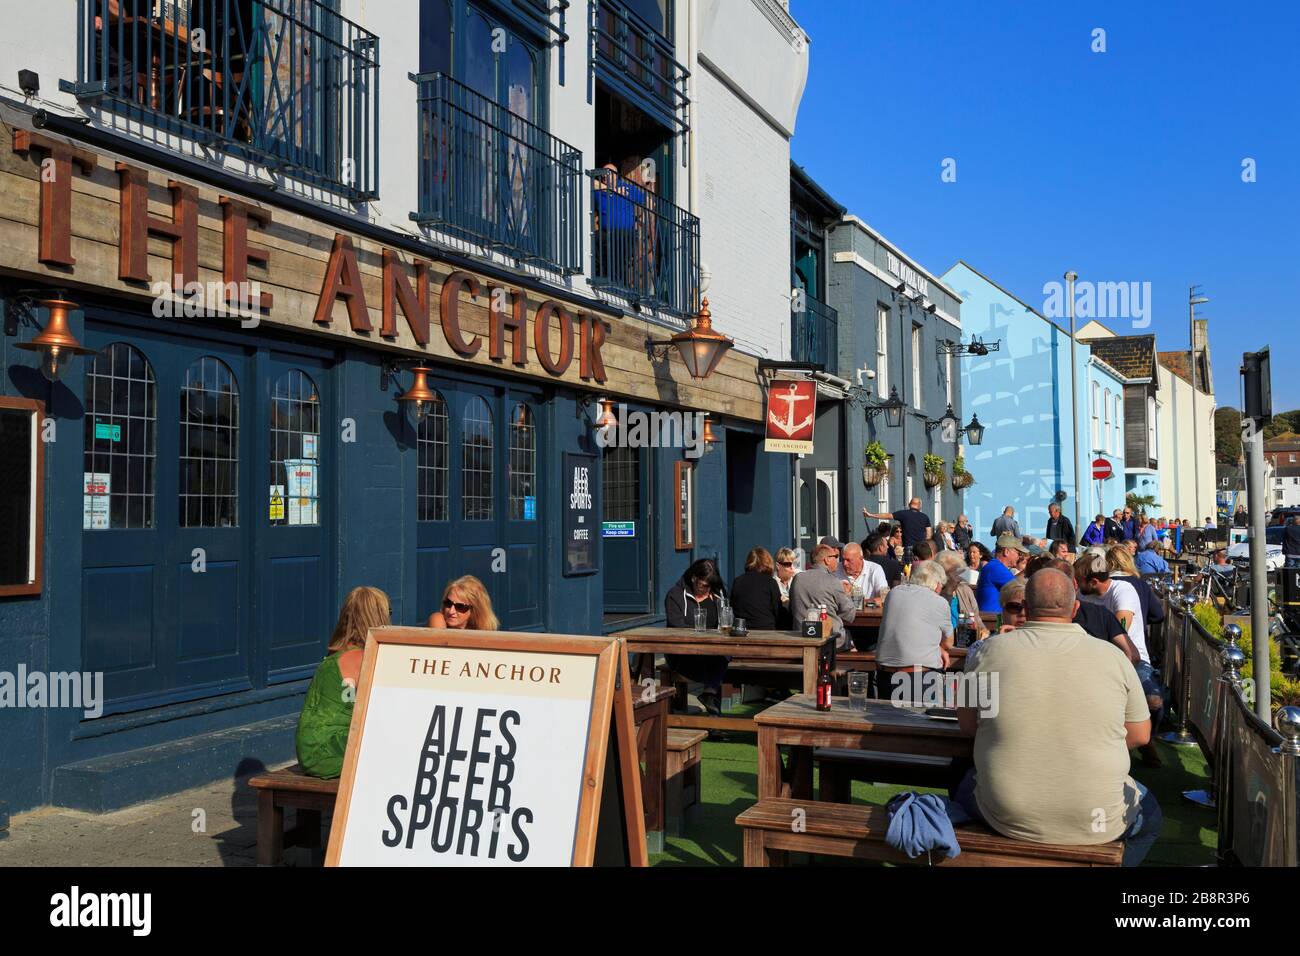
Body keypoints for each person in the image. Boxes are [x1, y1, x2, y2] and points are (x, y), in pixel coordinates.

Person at [955, 569, 1163, 867]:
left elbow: (969, 726)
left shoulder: (986, 652)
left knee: (963, 782)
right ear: (1075, 607)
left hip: (1007, 811)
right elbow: (1141, 736)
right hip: (1098, 815)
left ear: (1025, 606)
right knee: (1151, 819)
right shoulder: (1113, 657)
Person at [297, 586, 391, 779]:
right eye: (388, 612)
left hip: (311, 749)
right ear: (379, 617)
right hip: (332, 750)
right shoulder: (366, 658)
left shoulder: (336, 654)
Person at [875, 560, 954, 698]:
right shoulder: (939, 602)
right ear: (937, 586)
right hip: (918, 680)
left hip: (884, 675)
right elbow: (948, 643)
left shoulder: (893, 593)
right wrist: (939, 648)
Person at [665, 559, 729, 716]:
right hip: (684, 654)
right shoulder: (676, 595)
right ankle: (712, 704)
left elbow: (725, 622)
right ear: (694, 578)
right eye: (704, 585)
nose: (707, 590)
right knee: (720, 660)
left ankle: (712, 706)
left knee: (723, 656)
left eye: (710, 586)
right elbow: (676, 626)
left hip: (711, 651)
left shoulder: (717, 595)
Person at [789, 543, 858, 650]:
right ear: (827, 560)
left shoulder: (797, 579)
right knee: (858, 641)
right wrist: (847, 594)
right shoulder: (833, 581)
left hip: (801, 637)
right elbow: (849, 615)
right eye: (835, 557)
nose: (838, 560)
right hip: (829, 640)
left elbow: (792, 607)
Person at [935, 550, 989, 641]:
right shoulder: (935, 595)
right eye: (955, 573)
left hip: (965, 644)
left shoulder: (966, 591)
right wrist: (948, 592)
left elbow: (978, 621)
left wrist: (983, 632)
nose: (959, 578)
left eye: (960, 572)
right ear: (943, 575)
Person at [730, 547, 784, 631]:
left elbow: (733, 607)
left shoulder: (738, 581)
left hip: (743, 631)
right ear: (768, 562)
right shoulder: (770, 582)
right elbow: (778, 612)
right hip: (766, 631)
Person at [974, 534, 1027, 613]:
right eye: (1018, 553)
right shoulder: (995, 568)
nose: (1019, 557)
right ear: (1006, 551)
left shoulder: (994, 566)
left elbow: (1014, 582)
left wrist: (1027, 570)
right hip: (992, 620)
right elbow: (1019, 589)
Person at [428, 575, 500, 630]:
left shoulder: (483, 631)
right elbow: (442, 644)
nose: (451, 611)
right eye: (448, 603)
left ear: (474, 610)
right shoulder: (438, 619)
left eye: (460, 607)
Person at [862, 498, 933, 551]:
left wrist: (870, 515)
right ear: (920, 506)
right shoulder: (925, 517)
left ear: (909, 505)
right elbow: (929, 535)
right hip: (921, 548)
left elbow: (888, 516)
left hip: (908, 547)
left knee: (908, 569)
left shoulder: (904, 514)